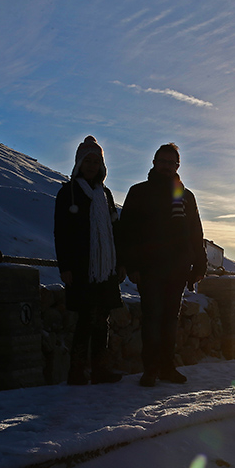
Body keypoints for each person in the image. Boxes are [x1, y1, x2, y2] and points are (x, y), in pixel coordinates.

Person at [117, 143, 207, 387]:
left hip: (178, 269)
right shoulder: (139, 192)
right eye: (163, 161)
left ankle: (167, 368)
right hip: (149, 269)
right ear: (154, 162)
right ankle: (151, 370)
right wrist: (132, 265)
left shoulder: (186, 196)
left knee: (169, 320)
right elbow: (127, 232)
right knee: (152, 319)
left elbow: (195, 233)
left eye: (172, 162)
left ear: (178, 166)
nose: (167, 166)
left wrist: (199, 265)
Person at [54, 136, 124, 385]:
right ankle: (77, 372)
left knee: (101, 319)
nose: (92, 166)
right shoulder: (68, 193)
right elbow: (61, 232)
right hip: (83, 267)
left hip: (105, 268)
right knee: (85, 319)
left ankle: (99, 370)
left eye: (96, 161)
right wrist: (65, 267)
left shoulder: (104, 194)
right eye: (88, 161)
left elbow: (115, 232)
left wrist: (120, 263)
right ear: (79, 163)